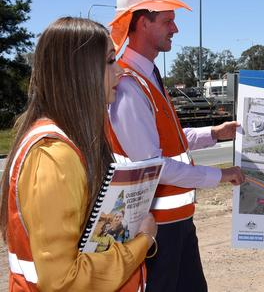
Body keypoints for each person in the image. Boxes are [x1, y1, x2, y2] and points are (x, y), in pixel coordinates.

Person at [107, 0, 245, 291]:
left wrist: (213, 133)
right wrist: (220, 176)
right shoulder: (129, 86)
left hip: (176, 224)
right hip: (152, 231)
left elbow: (167, 140)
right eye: (168, 21)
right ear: (143, 23)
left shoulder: (148, 74)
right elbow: (152, 165)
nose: (175, 29)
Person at [0, 17, 157, 291]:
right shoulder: (54, 157)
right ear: (78, 72)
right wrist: (142, 241)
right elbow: (64, 280)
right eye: (110, 61)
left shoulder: (70, 144)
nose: (120, 72)